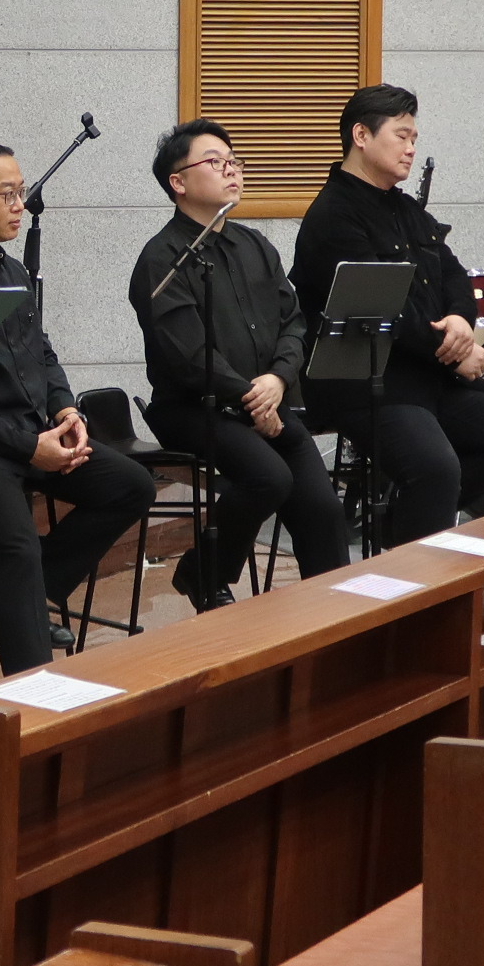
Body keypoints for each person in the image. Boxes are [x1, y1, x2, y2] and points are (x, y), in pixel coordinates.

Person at [0, 139, 158, 675]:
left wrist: (65, 411)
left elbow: (41, 350)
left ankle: (26, 593)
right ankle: (32, 690)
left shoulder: (10, 270)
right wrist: (27, 447)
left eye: (21, 192)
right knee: (16, 550)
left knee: (130, 485)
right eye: (8, 194)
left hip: (28, 433)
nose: (20, 205)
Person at [290, 85, 484, 542]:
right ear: (361, 136)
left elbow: (453, 275)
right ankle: (417, 564)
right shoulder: (332, 216)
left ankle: (404, 525)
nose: (411, 148)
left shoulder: (406, 208)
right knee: (435, 468)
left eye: (414, 139)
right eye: (401, 136)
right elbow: (379, 311)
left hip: (426, 375)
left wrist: (461, 319)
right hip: (368, 383)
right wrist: (455, 352)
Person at [129, 120, 349, 608]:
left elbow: (293, 322)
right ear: (178, 182)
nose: (231, 170)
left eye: (234, 161)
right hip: (193, 407)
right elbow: (188, 356)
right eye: (215, 161)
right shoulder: (162, 259)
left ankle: (335, 612)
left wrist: (277, 380)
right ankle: (203, 572)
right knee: (268, 477)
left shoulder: (255, 245)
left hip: (266, 401)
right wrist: (253, 397)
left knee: (322, 507)